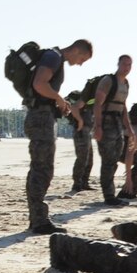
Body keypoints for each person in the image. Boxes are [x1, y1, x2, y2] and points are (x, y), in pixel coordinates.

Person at [24, 39, 94, 234]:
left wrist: (57, 102)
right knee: (42, 168)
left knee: (41, 167)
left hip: (42, 116)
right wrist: (58, 98)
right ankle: (38, 221)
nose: (80, 63)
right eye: (82, 59)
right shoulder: (54, 57)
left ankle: (37, 218)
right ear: (77, 50)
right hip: (40, 118)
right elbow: (40, 83)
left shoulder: (54, 58)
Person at [91, 55, 134, 204]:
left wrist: (129, 128)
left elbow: (123, 107)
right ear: (118, 64)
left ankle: (110, 194)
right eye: (124, 64)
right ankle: (109, 196)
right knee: (108, 160)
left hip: (117, 124)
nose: (126, 68)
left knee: (114, 160)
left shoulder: (126, 84)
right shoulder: (108, 81)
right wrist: (98, 126)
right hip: (106, 122)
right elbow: (97, 103)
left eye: (129, 65)